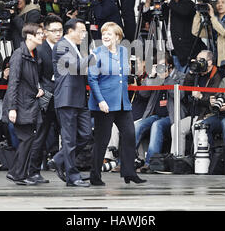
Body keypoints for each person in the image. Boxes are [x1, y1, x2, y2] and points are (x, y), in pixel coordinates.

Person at [88, 22, 146, 185]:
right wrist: (100, 101)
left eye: (109, 34)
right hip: (105, 103)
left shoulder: (123, 51)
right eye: (104, 33)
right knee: (102, 140)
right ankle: (95, 175)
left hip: (122, 102)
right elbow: (92, 79)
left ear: (118, 37)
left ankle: (129, 172)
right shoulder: (97, 53)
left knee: (129, 135)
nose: (105, 36)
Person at [50, 18, 96, 187]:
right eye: (81, 31)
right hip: (67, 98)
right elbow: (75, 67)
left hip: (79, 97)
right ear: (70, 31)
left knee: (85, 135)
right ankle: (72, 176)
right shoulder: (62, 46)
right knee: (69, 139)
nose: (84, 35)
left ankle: (59, 158)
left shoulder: (75, 47)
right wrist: (95, 56)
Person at [3, 23, 48, 185]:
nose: (42, 36)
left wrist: (39, 88)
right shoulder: (19, 55)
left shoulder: (33, 54)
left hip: (29, 102)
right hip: (20, 104)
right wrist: (12, 108)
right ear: (29, 36)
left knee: (28, 139)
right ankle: (17, 173)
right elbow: (13, 82)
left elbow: (31, 79)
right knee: (27, 139)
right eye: (39, 34)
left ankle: (19, 173)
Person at [143, 0, 205, 72]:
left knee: (185, 84)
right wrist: (148, 1)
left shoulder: (188, 4)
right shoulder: (166, 6)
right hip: (172, 54)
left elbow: (183, 12)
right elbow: (149, 18)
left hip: (188, 54)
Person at [171, 50, 222, 156]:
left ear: (209, 62)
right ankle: (177, 159)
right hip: (195, 113)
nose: (198, 63)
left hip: (208, 114)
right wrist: (191, 71)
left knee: (197, 126)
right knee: (175, 127)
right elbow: (186, 89)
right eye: (197, 60)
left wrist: (201, 97)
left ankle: (197, 160)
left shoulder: (217, 76)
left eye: (201, 61)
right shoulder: (197, 73)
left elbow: (213, 99)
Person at [134, 55, 173, 172]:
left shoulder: (178, 76)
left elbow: (179, 95)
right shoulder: (155, 79)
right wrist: (151, 77)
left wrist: (166, 79)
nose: (161, 68)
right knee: (138, 125)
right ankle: (125, 161)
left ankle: (149, 162)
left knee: (157, 125)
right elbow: (143, 94)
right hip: (155, 115)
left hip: (171, 116)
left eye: (163, 65)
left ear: (170, 66)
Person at [37, 15, 63, 161]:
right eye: (54, 31)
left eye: (60, 30)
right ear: (45, 32)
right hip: (46, 97)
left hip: (63, 97)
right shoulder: (40, 50)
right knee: (41, 135)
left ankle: (64, 165)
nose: (58, 34)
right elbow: (35, 76)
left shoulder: (66, 48)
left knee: (67, 134)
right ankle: (34, 170)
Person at [192, 0, 225, 70]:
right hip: (216, 61)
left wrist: (212, 15)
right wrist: (198, 13)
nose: (220, 5)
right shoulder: (214, 22)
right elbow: (196, 31)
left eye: (223, 2)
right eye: (218, 3)